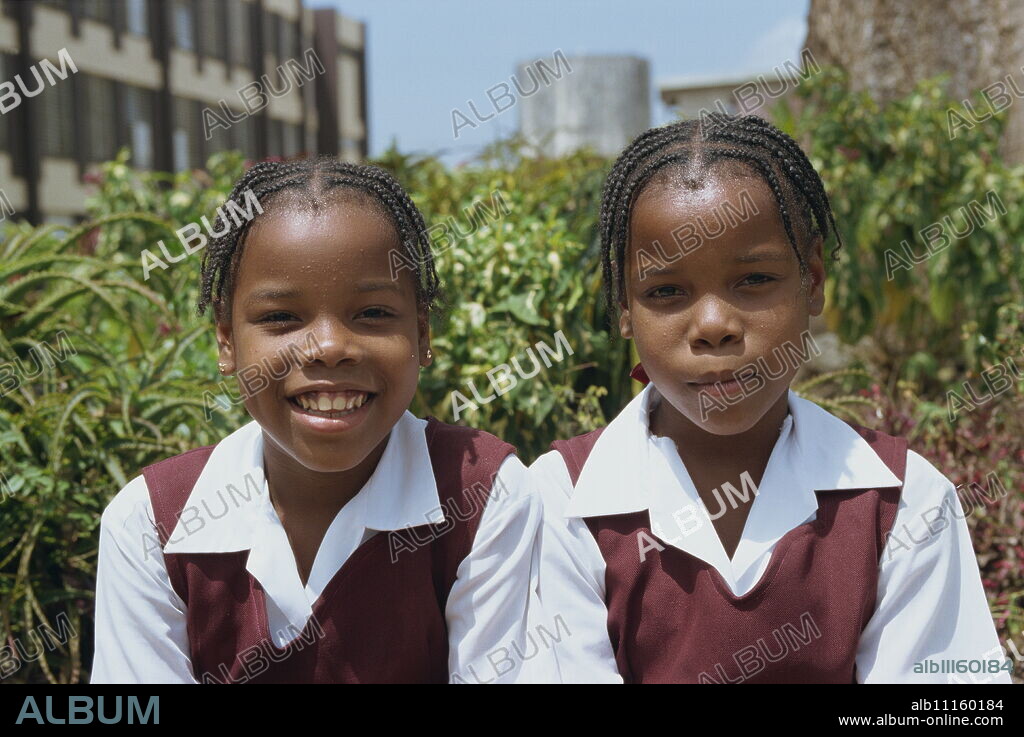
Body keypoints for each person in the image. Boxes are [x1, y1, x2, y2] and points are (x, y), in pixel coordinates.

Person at [533, 115, 1011, 684]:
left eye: (754, 280)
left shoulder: (904, 503)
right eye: (665, 291)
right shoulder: (559, 503)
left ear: (811, 280)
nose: (713, 326)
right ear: (624, 307)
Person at [92, 157, 543, 684]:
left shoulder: (484, 498)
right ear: (227, 340)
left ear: (423, 333)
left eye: (373, 313)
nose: (329, 348)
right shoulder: (150, 524)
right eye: (281, 317)